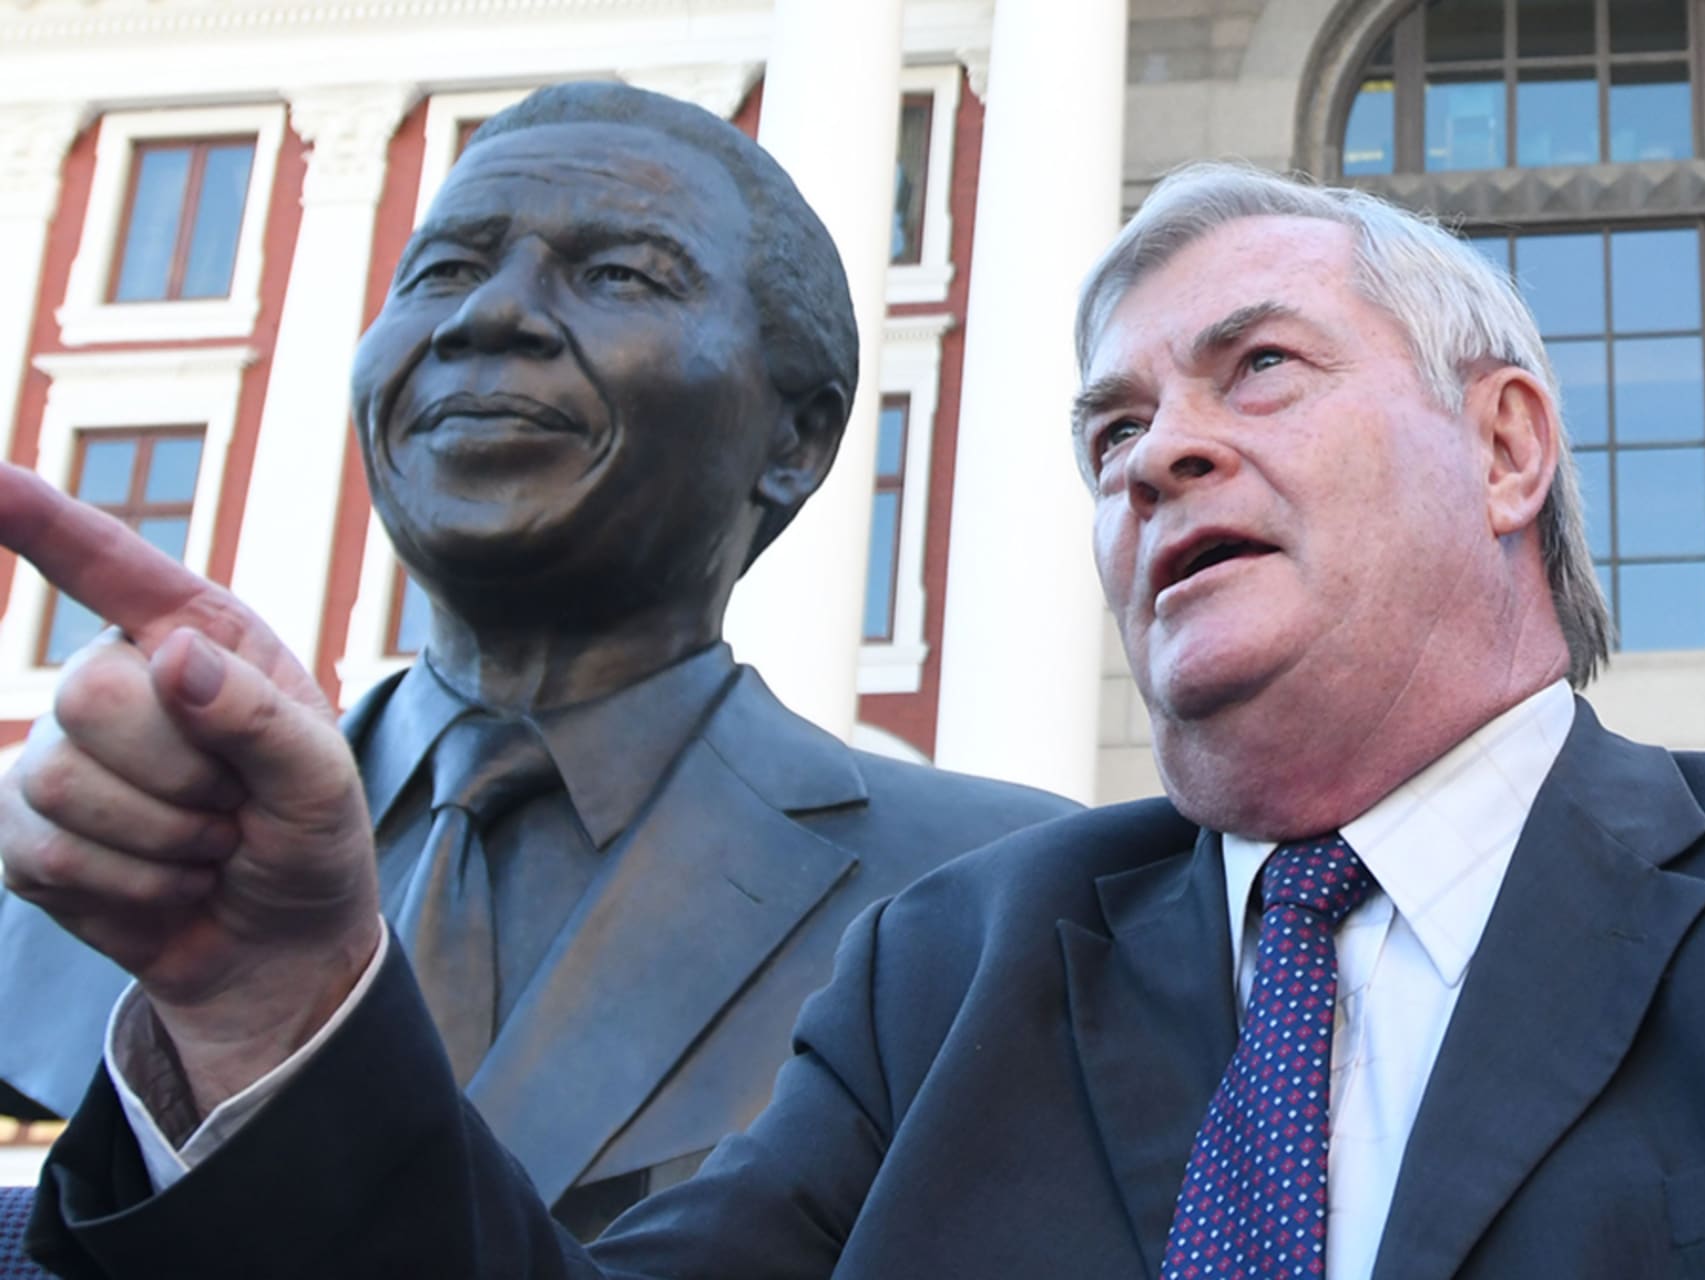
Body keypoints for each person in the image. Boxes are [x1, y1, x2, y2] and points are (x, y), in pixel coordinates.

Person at [8, 161, 1705, 1279]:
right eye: (1110, 432)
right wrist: (274, 1002)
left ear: (1506, 447)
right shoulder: (947, 977)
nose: (1163, 451)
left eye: (1257, 369)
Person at [0, 80, 1074, 1242]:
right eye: (443, 272)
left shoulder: (996, 901)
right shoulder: (87, 884)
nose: (489, 317)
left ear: (795, 436)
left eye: (617, 275)